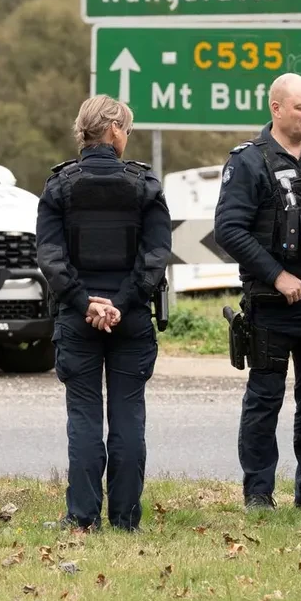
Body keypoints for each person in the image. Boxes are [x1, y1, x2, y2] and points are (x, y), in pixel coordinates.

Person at [35, 93, 172, 532]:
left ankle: (82, 517)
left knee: (85, 418)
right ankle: (126, 519)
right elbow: (155, 255)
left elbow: (50, 256)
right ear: (113, 130)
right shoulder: (145, 185)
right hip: (130, 318)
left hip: (77, 319)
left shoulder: (59, 186)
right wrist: (122, 303)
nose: (126, 137)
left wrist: (85, 302)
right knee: (128, 417)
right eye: (126, 129)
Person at [213, 72, 301, 512]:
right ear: (277, 108)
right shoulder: (249, 161)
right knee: (264, 398)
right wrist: (276, 275)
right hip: (272, 303)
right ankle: (258, 491)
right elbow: (229, 230)